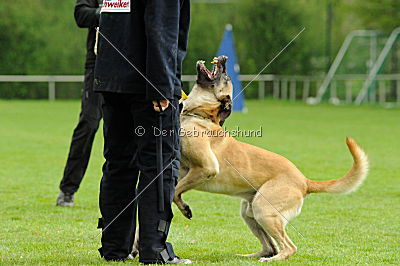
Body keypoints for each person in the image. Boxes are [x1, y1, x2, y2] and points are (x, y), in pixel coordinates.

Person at [94, 0, 191, 264]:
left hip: (112, 80)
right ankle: (154, 250)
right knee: (159, 166)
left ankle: (114, 248)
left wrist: (103, 76)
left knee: (118, 164)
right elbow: (162, 27)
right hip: (148, 85)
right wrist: (161, 86)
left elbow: (108, 21)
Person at [56, 0, 103, 207]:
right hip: (97, 63)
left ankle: (126, 195)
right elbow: (81, 15)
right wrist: (110, 13)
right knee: (89, 124)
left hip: (130, 64)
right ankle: (68, 189)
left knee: (126, 130)